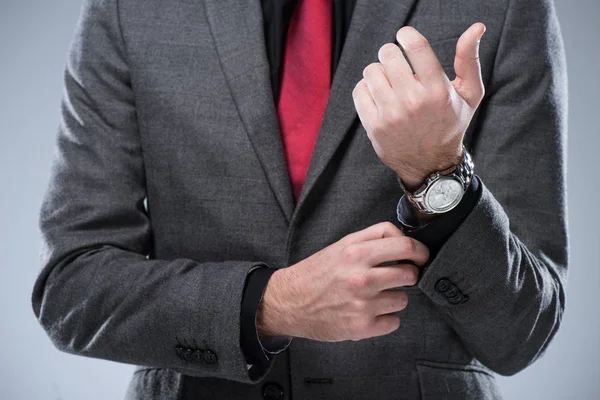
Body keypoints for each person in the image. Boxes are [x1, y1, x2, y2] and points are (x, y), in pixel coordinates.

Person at [31, 0, 568, 398]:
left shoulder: (504, 9)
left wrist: (436, 173)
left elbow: (522, 332)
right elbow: (72, 288)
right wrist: (273, 303)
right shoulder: (129, 10)